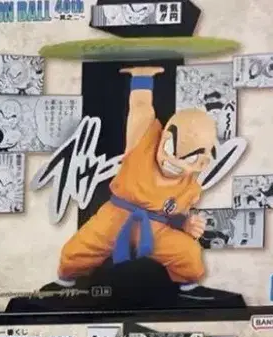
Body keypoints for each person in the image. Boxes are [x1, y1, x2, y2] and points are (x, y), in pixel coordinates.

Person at [57, 67, 217, 293]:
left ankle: (189, 289)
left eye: (188, 158)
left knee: (189, 255)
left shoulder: (189, 187)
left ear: (201, 163)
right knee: (74, 252)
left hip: (155, 228)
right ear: (163, 136)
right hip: (115, 217)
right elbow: (141, 108)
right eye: (169, 147)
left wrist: (186, 224)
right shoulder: (144, 143)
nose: (172, 160)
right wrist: (143, 77)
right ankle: (65, 282)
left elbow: (175, 217)